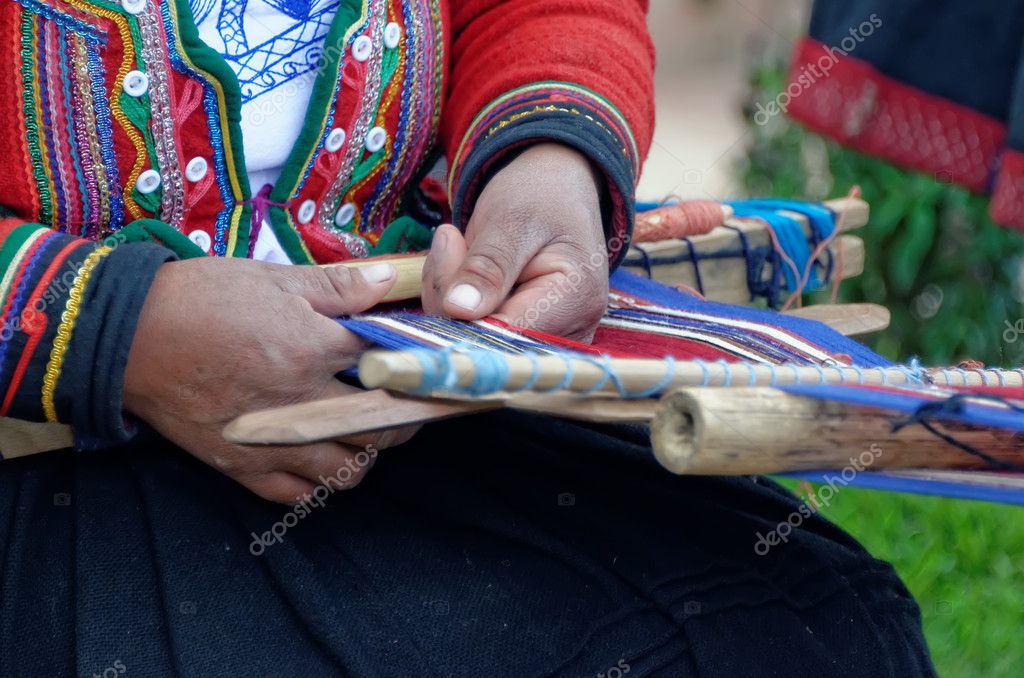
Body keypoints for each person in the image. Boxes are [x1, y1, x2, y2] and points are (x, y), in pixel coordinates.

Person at [0, 0, 935, 675]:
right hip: (49, 473)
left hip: (416, 407)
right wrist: (122, 328)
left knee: (808, 635)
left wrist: (547, 157)